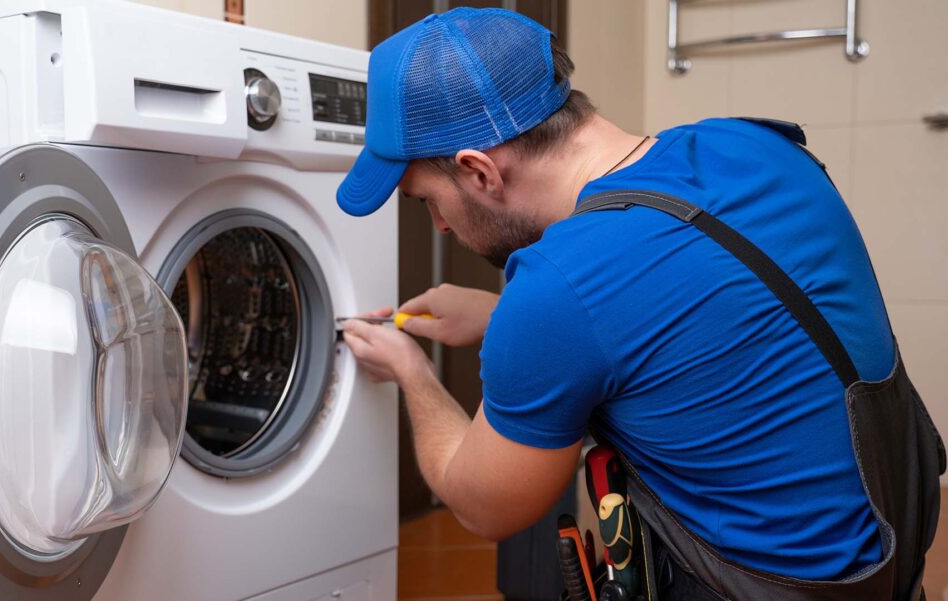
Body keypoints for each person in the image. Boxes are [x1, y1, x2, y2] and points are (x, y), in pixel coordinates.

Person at [336, 8, 944, 600]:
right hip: (890, 552)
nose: (439, 227)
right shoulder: (754, 144)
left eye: (425, 200)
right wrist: (500, 318)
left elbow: (483, 506)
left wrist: (411, 372)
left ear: (478, 172)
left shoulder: (557, 286)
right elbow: (708, 323)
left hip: (763, 584)